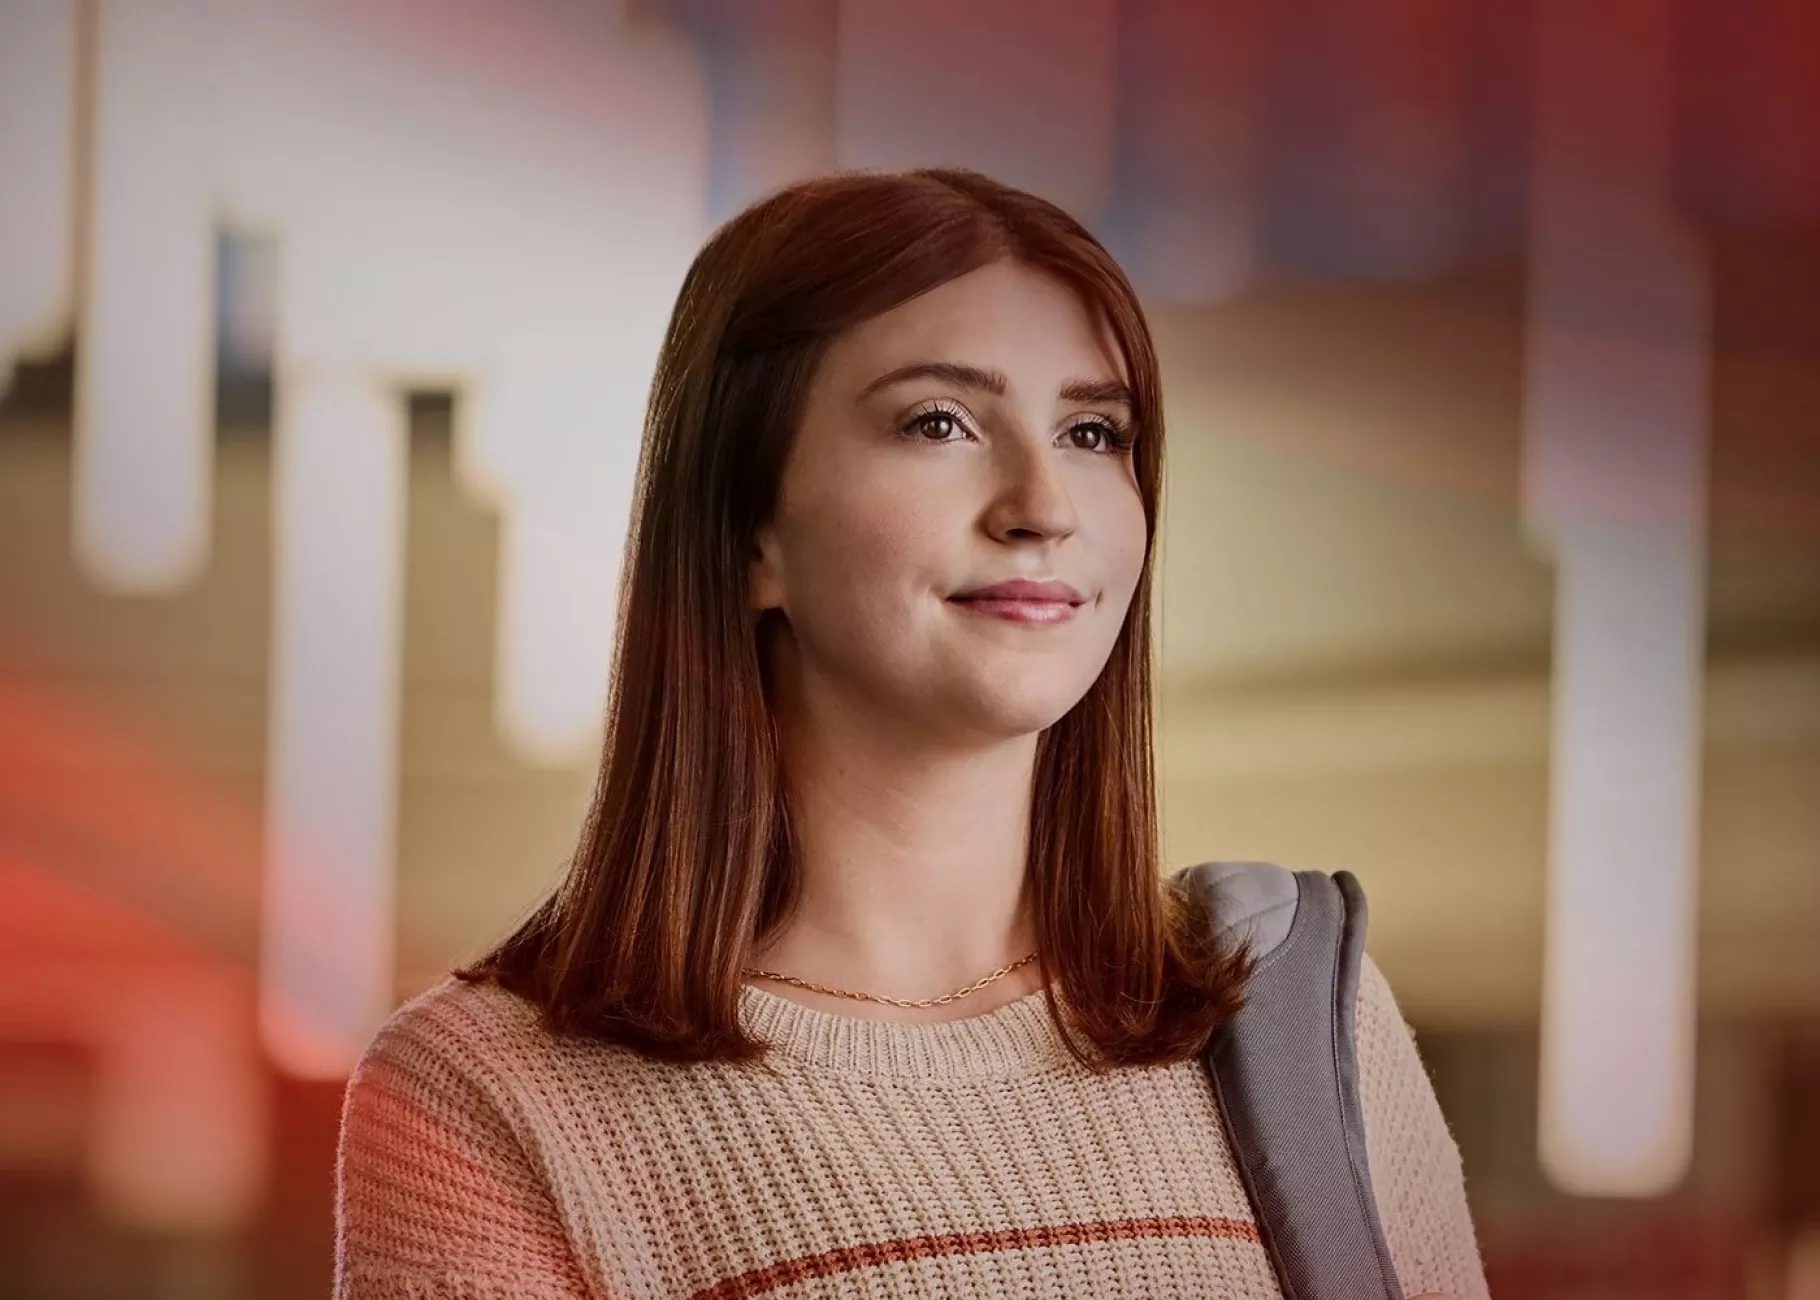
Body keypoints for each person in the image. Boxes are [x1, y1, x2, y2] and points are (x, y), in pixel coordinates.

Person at [333, 167, 1488, 1299]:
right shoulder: (486, 1098)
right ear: (749, 537)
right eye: (938, 422)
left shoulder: (1297, 1014)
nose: (1042, 505)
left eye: (1093, 433)